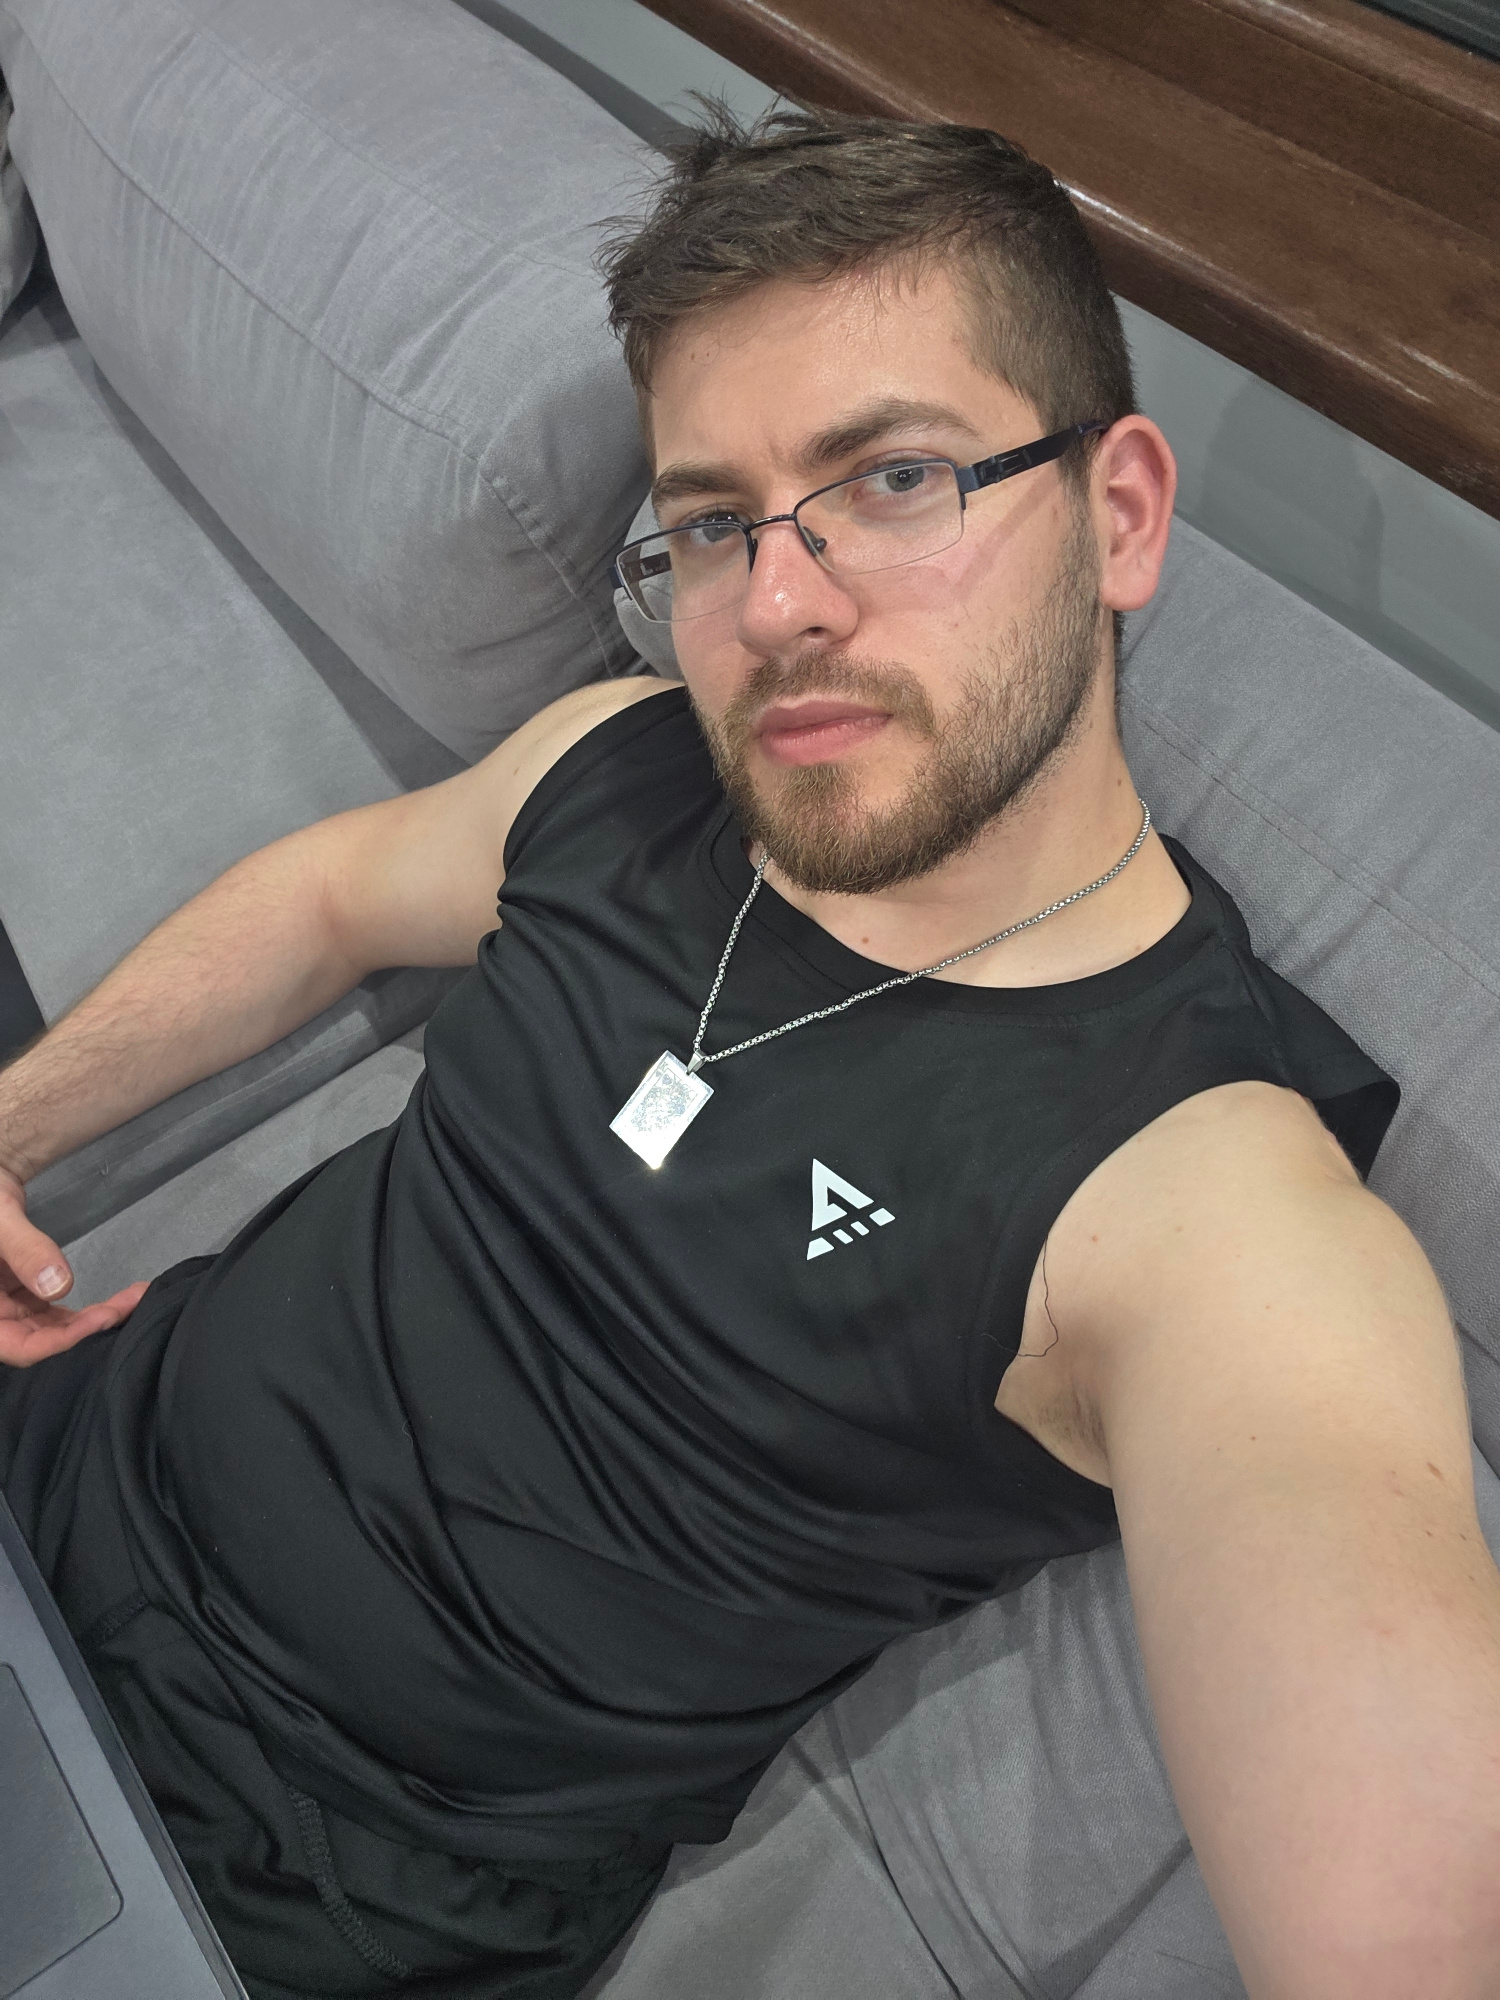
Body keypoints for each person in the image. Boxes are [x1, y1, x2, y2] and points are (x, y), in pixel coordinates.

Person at [3, 103, 1499, 2000]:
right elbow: (328, 900)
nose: (777, 603)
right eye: (715, 521)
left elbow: (1395, 1905)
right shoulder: (625, 762)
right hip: (60, 1454)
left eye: (894, 478)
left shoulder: (1206, 1204)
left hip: (274, 1874)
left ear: (1118, 516)